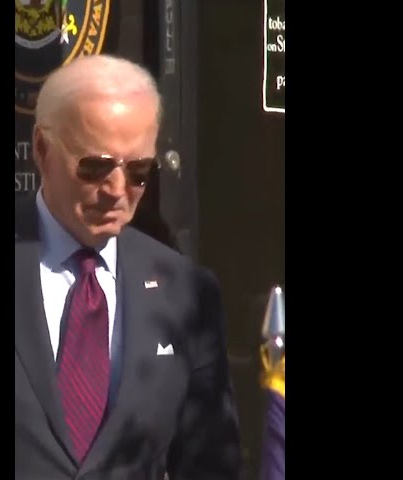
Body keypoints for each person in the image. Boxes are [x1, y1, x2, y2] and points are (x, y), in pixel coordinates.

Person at [15, 54, 242, 479]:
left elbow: (210, 463)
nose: (117, 191)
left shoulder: (186, 294)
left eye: (139, 171)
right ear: (43, 150)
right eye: (95, 167)